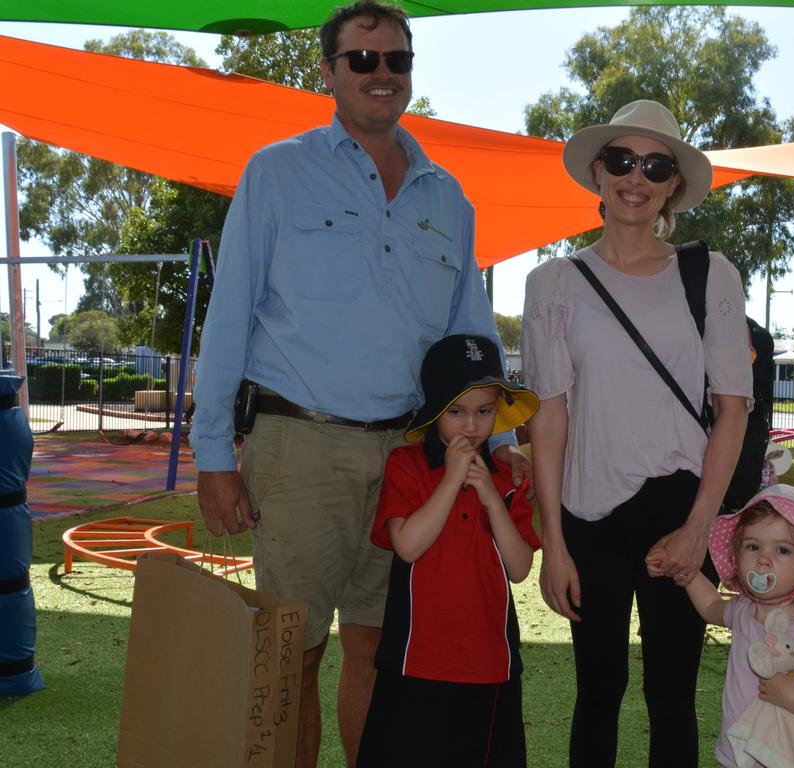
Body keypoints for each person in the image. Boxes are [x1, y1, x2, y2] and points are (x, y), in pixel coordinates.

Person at [190, 4, 526, 765]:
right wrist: (213, 451)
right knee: (290, 648)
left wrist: (497, 447)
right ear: (328, 73)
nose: (383, 74)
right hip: (298, 445)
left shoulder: (449, 196)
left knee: (382, 651)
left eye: (397, 60)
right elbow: (231, 312)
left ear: (411, 72)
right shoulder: (277, 171)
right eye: (363, 60)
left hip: (413, 458)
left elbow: (468, 336)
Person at [521, 99, 752, 767]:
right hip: (588, 512)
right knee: (598, 690)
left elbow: (732, 410)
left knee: (672, 694)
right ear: (598, 171)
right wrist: (554, 545)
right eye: (622, 160)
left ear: (674, 183)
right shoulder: (553, 283)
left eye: (655, 165)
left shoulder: (710, 276)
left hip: (681, 506)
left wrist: (697, 529)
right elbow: (549, 414)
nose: (636, 177)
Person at [358, 334, 540, 767]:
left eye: (483, 411)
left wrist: (491, 497)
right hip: (415, 660)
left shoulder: (507, 480)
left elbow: (518, 568)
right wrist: (450, 480)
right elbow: (407, 545)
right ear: (434, 411)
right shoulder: (407, 465)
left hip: (490, 664)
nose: (471, 426)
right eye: (456, 412)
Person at [665, 484, 794, 767]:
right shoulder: (745, 609)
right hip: (738, 756)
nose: (763, 559)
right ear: (737, 554)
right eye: (753, 546)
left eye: (782, 550)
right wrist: (689, 575)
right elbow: (711, 608)